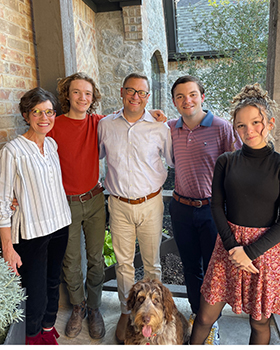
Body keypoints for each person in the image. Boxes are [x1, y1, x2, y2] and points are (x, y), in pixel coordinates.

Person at [47, 72, 167, 340]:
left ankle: (122, 312)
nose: (82, 98)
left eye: (87, 93)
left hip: (112, 200)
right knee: (82, 261)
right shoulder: (71, 125)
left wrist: (162, 117)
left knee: (113, 261)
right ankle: (89, 309)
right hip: (82, 202)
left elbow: (167, 151)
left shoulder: (109, 123)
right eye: (77, 92)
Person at [190, 83, 280, 345]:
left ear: (270, 123)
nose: (248, 130)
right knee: (205, 316)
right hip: (227, 247)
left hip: (262, 252)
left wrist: (248, 253)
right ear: (234, 127)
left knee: (259, 322)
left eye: (255, 122)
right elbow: (216, 206)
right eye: (241, 125)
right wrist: (233, 248)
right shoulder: (226, 161)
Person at [98, 72, 174, 343]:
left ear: (148, 96)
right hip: (118, 204)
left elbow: (175, 159)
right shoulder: (106, 125)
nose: (136, 97)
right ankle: (126, 311)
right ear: (121, 91)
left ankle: (155, 314)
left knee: (153, 263)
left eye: (142, 93)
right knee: (123, 264)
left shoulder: (159, 127)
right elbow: (92, 155)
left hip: (151, 203)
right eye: (131, 90)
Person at [167, 75, 241, 345]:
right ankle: (199, 316)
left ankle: (212, 323)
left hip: (212, 210)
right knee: (190, 267)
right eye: (180, 96)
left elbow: (238, 166)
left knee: (214, 271)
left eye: (193, 94)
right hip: (181, 207)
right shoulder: (170, 128)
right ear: (174, 101)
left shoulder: (222, 127)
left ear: (202, 96)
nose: (187, 100)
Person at [0, 87, 72, 345]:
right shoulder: (13, 150)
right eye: (37, 112)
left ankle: (47, 326)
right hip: (31, 232)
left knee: (54, 281)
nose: (45, 117)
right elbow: (3, 200)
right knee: (36, 289)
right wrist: (7, 247)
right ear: (26, 114)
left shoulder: (51, 144)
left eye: (49, 112)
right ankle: (32, 336)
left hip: (60, 223)